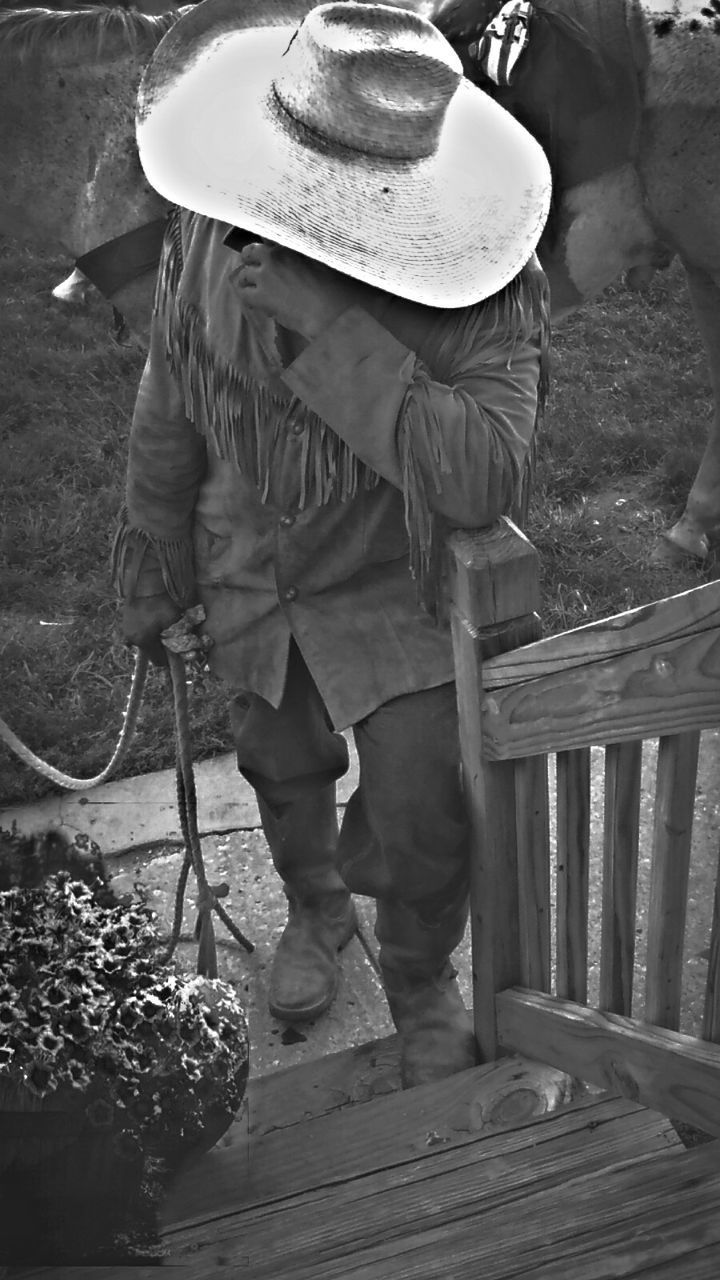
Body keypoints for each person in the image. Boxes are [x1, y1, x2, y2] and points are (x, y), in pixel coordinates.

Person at [115, 0, 551, 1087]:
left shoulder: (487, 275)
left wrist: (329, 323)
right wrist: (153, 542)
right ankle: (317, 908)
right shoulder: (208, 229)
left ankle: (417, 973)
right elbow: (171, 392)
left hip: (387, 577)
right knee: (279, 762)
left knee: (420, 805)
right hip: (247, 565)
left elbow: (482, 471)